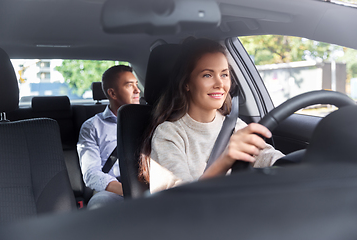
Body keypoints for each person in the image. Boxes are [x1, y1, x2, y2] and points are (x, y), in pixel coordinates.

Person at [139, 38, 284, 193]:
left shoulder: (234, 125)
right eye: (207, 75)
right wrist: (225, 160)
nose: (220, 84)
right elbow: (179, 200)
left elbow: (269, 157)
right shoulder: (168, 134)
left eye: (224, 74)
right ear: (186, 83)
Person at [77, 65, 140, 209]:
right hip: (113, 190)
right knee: (99, 205)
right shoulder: (92, 126)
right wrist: (129, 191)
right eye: (130, 86)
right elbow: (91, 174)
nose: (137, 90)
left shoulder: (150, 120)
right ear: (113, 93)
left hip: (150, 185)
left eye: (136, 84)